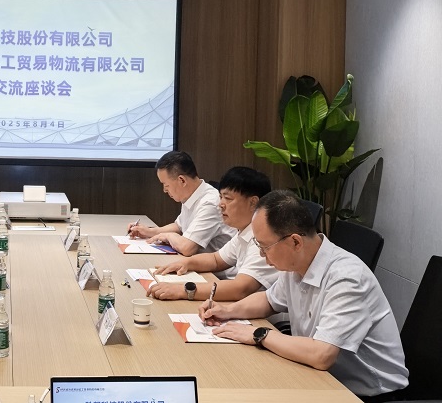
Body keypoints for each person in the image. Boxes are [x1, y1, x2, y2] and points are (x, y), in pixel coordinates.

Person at [200, 190, 408, 400]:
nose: (262, 256)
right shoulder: (296, 263)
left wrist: (259, 334)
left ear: (295, 242)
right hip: (321, 378)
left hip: (367, 394)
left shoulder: (347, 277)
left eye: (265, 247)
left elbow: (322, 355)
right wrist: (227, 311)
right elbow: (269, 301)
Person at [147, 166, 278, 301]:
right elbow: (216, 260)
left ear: (253, 202)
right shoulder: (245, 231)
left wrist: (182, 290)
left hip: (260, 313)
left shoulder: (264, 238)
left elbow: (240, 289)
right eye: (221, 197)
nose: (221, 204)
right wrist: (186, 263)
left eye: (228, 198)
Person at [129, 150, 235, 256]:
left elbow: (187, 248)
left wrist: (168, 236)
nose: (164, 190)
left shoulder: (209, 203)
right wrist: (150, 232)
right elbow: (179, 226)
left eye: (166, 185)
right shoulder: (192, 195)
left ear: (182, 180)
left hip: (215, 266)